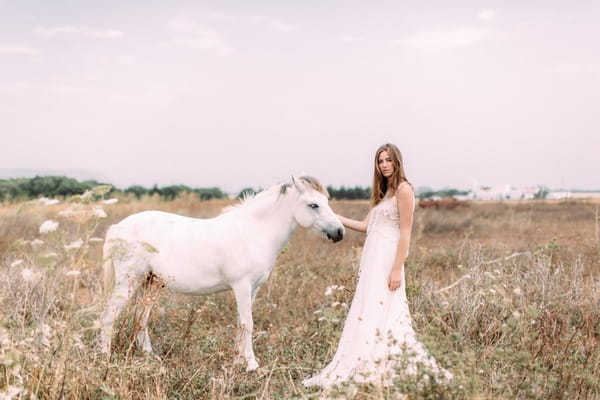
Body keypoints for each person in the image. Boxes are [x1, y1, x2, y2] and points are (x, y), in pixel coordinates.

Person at [303, 143, 452, 390]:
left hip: (388, 260)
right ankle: (364, 360)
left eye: (388, 160)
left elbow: (406, 233)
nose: (384, 164)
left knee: (388, 310)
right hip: (373, 259)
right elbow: (365, 226)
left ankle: (390, 365)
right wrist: (334, 217)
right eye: (380, 161)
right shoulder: (384, 194)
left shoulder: (405, 190)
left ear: (397, 162)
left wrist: (396, 268)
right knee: (368, 309)